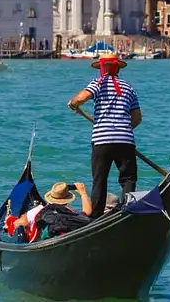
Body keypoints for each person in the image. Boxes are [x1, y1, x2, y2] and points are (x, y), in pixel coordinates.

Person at [68, 53, 141, 218]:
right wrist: (124, 130)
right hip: (125, 140)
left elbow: (82, 97)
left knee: (99, 179)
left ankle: (95, 216)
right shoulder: (129, 88)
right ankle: (128, 212)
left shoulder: (97, 84)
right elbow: (137, 118)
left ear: (102, 68)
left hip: (102, 141)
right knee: (128, 179)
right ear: (117, 68)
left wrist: (73, 103)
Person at [8, 181, 93, 242]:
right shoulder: (70, 212)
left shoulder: (37, 211)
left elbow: (19, 224)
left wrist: (10, 222)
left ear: (50, 197)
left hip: (42, 243)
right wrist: (83, 193)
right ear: (67, 200)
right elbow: (87, 212)